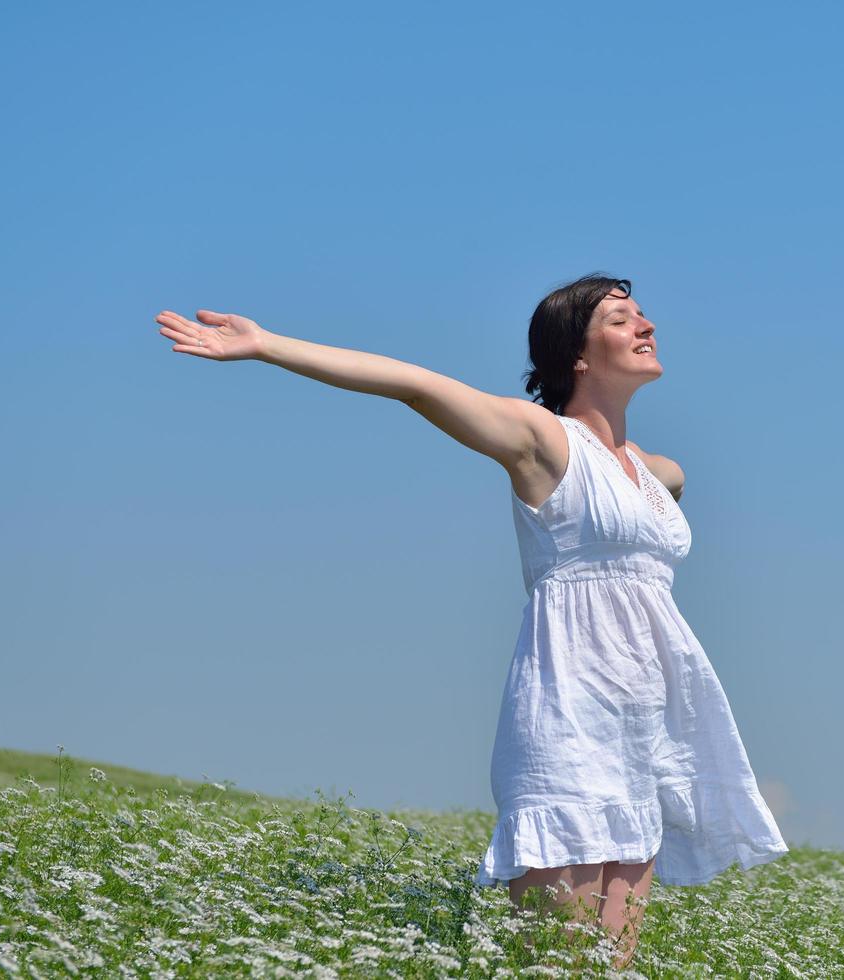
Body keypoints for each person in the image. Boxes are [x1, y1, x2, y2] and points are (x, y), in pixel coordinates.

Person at [153, 272, 789, 969]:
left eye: (643, 315)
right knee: (554, 959)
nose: (645, 326)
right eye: (619, 318)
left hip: (648, 727)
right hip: (570, 717)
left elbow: (658, 516)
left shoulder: (658, 472)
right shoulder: (540, 439)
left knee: (614, 966)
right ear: (575, 354)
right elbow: (416, 385)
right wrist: (267, 344)